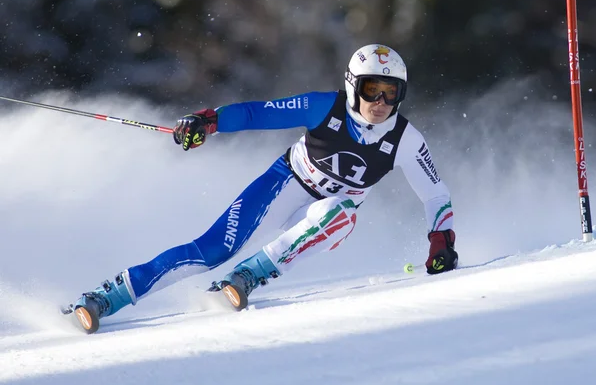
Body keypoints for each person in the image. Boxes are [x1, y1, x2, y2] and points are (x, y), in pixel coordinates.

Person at [65, 44, 458, 333]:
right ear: (354, 85)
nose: (381, 101)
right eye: (373, 88)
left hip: (326, 211)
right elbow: (259, 113)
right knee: (210, 251)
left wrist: (441, 240)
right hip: (286, 182)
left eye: (392, 92)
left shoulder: (406, 139)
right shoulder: (324, 106)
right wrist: (208, 121)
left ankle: (248, 277)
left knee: (341, 215)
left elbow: (435, 193)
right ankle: (108, 296)